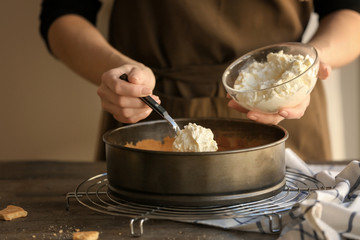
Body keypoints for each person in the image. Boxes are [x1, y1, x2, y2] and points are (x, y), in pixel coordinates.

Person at [39, 0, 360, 161]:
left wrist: (305, 67)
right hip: (150, 109)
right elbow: (63, 13)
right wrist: (119, 69)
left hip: (285, 117)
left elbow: (349, 10)